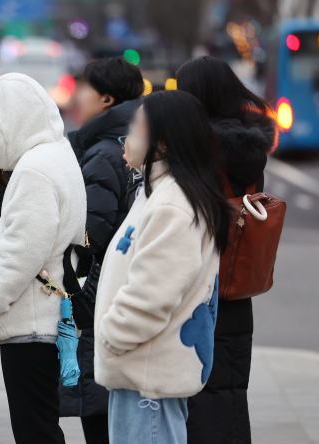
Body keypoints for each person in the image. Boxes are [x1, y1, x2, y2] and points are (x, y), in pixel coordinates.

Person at [94, 90, 232, 444]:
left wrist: (111, 336)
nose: (126, 136)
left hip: (147, 381)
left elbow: (152, 295)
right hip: (141, 373)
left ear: (164, 144)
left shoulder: (173, 205)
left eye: (137, 126)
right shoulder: (159, 192)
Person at [0, 73, 87, 444]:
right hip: (50, 316)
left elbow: (21, 250)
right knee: (42, 425)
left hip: (31, 323)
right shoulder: (58, 154)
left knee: (34, 431)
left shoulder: (35, 169)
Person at [176, 56, 277, 444]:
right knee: (232, 392)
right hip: (236, 283)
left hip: (200, 285)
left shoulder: (202, 152)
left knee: (201, 395)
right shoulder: (249, 149)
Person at [61, 57, 144, 444]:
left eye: (86, 87)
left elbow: (88, 236)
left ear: (107, 99)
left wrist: (70, 293)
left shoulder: (103, 155)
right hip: (124, 291)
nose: (78, 94)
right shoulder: (135, 144)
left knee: (99, 413)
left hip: (98, 300)